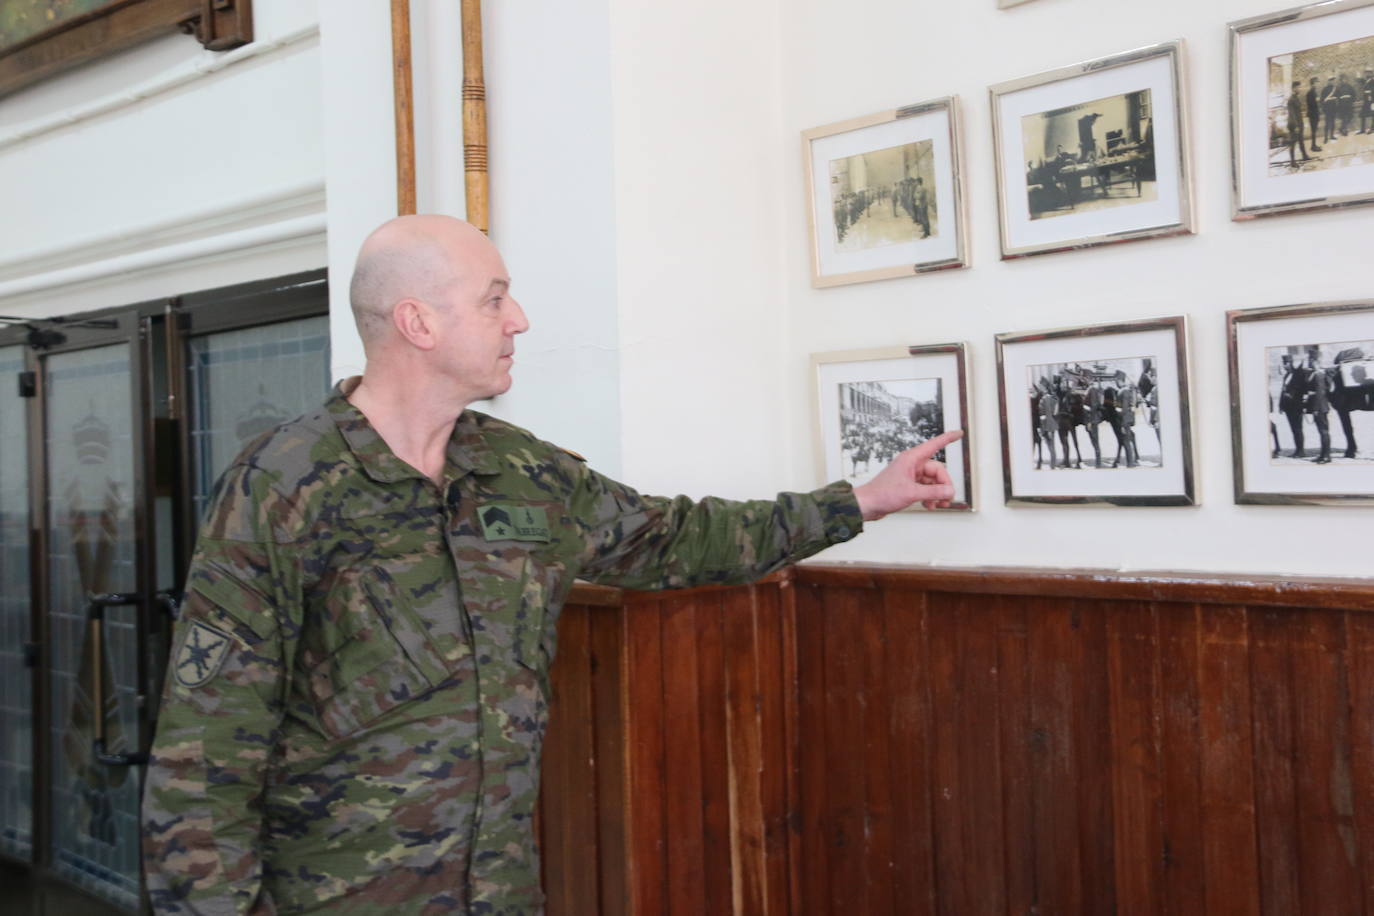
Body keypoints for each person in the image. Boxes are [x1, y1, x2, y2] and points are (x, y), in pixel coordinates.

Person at [141, 215, 961, 915]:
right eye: (495, 299)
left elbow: (674, 538)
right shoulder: (283, 484)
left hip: (498, 889)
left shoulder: (521, 472)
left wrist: (860, 501)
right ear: (418, 322)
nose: (519, 319)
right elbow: (206, 744)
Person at [1306, 346, 1333, 463]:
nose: (1309, 362)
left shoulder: (1319, 375)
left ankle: (1327, 456)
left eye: (1311, 360)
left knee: (1323, 431)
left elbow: (1320, 393)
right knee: (1321, 431)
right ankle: (1323, 454)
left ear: (1315, 361)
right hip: (1320, 406)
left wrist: (1315, 409)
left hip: (1320, 407)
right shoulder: (1317, 373)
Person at [1286, 80, 1310, 167]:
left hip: (1299, 123)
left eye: (1300, 87)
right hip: (1294, 125)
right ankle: (1292, 162)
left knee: (1301, 141)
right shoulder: (1291, 100)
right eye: (1298, 87)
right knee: (1293, 143)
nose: (1300, 89)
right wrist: (1296, 126)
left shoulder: (1296, 98)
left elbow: (1299, 111)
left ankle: (1304, 156)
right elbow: (1292, 114)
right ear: (1293, 88)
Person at [1306, 76, 1323, 152]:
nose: (1318, 84)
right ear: (1313, 83)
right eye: (1317, 82)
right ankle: (1313, 146)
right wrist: (1317, 101)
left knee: (1314, 131)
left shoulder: (1314, 92)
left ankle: (1314, 145)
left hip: (1314, 114)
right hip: (1313, 114)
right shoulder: (1310, 93)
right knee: (1313, 131)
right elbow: (1311, 104)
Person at [1321, 75, 1339, 144]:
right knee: (1327, 124)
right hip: (1328, 109)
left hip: (1333, 108)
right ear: (1328, 81)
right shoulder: (1325, 89)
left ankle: (1331, 135)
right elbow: (1322, 100)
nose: (1332, 82)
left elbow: (1338, 97)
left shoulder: (1335, 88)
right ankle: (1325, 137)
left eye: (1333, 80)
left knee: (1333, 122)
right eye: (1331, 80)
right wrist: (1324, 109)